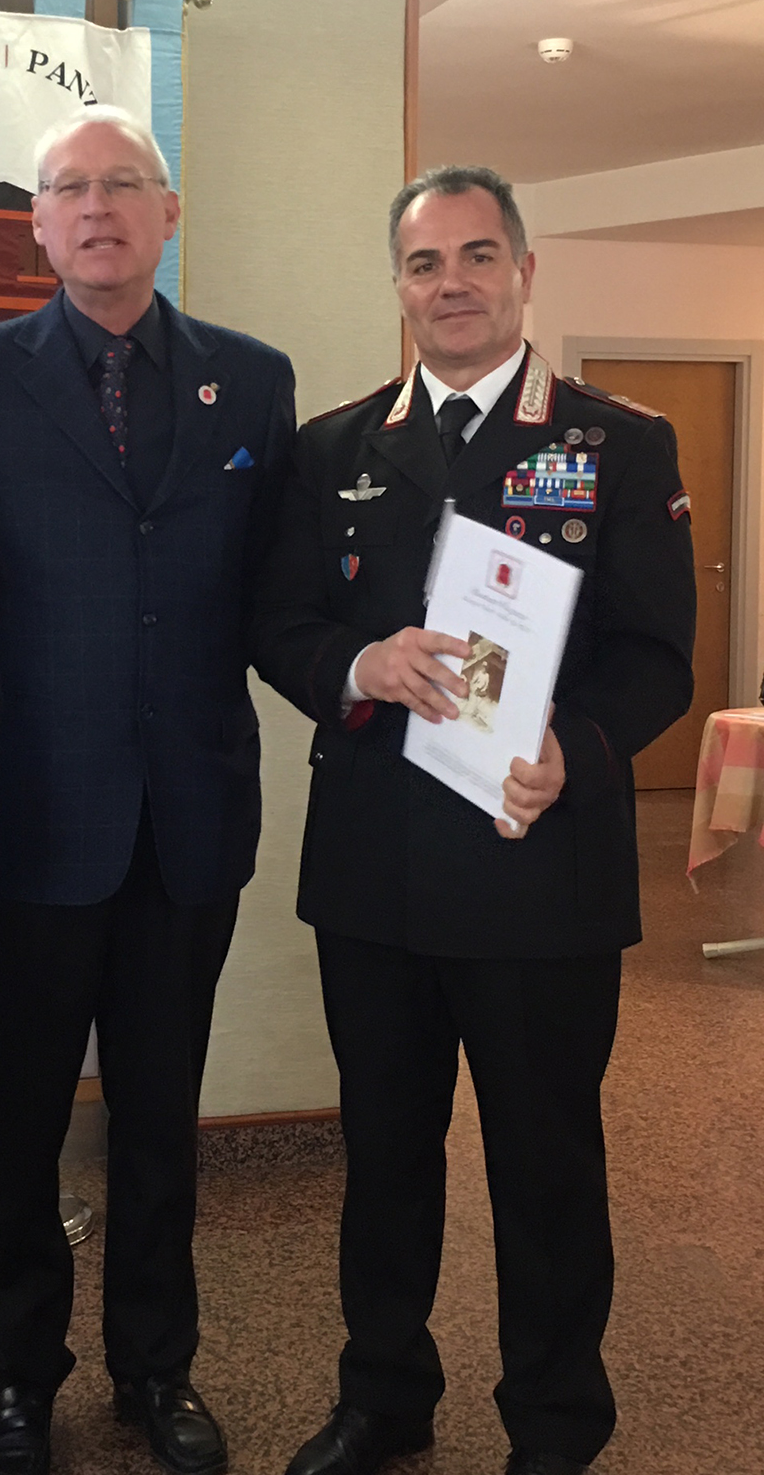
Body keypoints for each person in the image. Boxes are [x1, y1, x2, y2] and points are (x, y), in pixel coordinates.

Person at [251, 166, 695, 1475]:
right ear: (398, 283)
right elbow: (279, 625)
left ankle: (556, 1420)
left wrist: (582, 746)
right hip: (377, 875)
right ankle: (384, 1396)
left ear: (523, 272)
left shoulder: (618, 441)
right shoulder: (332, 448)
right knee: (384, 1161)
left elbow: (659, 655)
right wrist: (355, 664)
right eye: (426, 262)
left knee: (544, 1165)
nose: (452, 283)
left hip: (536, 866)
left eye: (478, 257)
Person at [0, 105, 296, 1475]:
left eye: (123, 184)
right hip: (23, 824)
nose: (97, 207)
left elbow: (278, 592)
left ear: (167, 213)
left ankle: (156, 1368)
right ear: (39, 228)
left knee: (159, 1122)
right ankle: (16, 1381)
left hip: (186, 821)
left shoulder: (250, 382)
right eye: (70, 189)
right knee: (13, 1123)